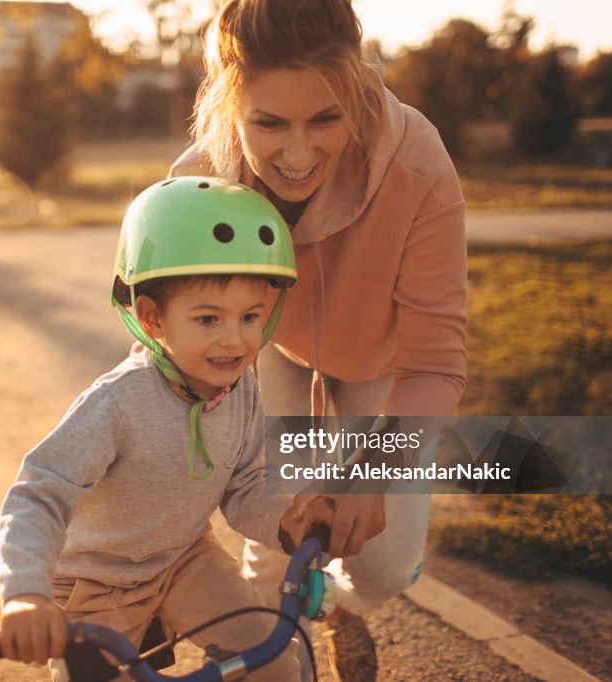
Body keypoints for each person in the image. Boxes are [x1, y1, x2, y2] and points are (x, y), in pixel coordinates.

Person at [169, 1, 468, 680]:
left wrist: (365, 477)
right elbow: (166, 350)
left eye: (326, 119)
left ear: (358, 94)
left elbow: (437, 361)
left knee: (384, 567)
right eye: (268, 124)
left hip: (381, 361)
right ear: (228, 107)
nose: (297, 155)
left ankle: (339, 603)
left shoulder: (417, 164)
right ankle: (278, 651)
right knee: (275, 544)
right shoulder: (198, 185)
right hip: (268, 348)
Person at [0, 177, 330, 681]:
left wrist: (286, 523)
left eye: (250, 316)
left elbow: (243, 490)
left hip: (182, 560)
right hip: (95, 584)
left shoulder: (242, 390)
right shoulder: (118, 403)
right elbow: (37, 495)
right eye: (208, 319)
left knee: (275, 660)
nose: (235, 340)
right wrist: (24, 593)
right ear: (152, 318)